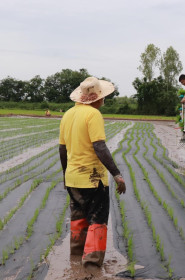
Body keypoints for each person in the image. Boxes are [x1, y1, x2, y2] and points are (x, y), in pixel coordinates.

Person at [59, 77, 126, 271]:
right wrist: (116, 174)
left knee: (78, 218)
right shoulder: (93, 114)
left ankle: (76, 260)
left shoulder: (68, 114)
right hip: (93, 178)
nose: (104, 100)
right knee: (97, 220)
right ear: (97, 98)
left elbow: (62, 149)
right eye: (103, 97)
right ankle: (91, 266)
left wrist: (65, 175)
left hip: (73, 178)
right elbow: (99, 146)